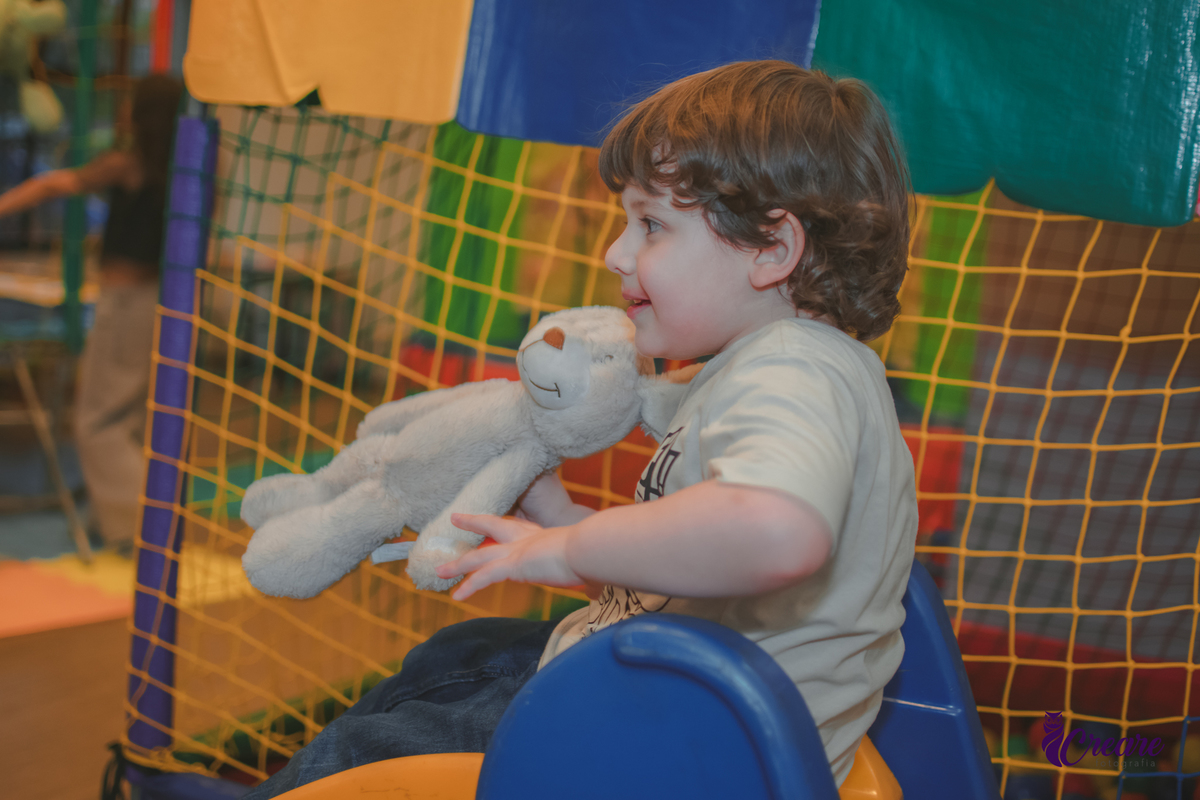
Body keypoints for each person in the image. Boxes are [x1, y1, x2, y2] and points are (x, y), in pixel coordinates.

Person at [246, 59, 916, 796]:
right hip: (665, 711)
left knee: (372, 751)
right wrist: (561, 520)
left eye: (651, 225)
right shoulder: (768, 367)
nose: (615, 254)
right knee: (459, 654)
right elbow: (700, 580)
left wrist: (568, 551)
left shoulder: (794, 373)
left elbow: (776, 533)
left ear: (772, 250)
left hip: (673, 753)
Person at [0, 74, 185, 551]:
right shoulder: (181, 170)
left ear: (141, 114)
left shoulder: (130, 163)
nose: (120, 109)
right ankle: (134, 521)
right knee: (123, 419)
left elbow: (53, 184)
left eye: (128, 102)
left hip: (128, 307)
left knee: (97, 423)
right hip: (156, 304)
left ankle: (138, 528)